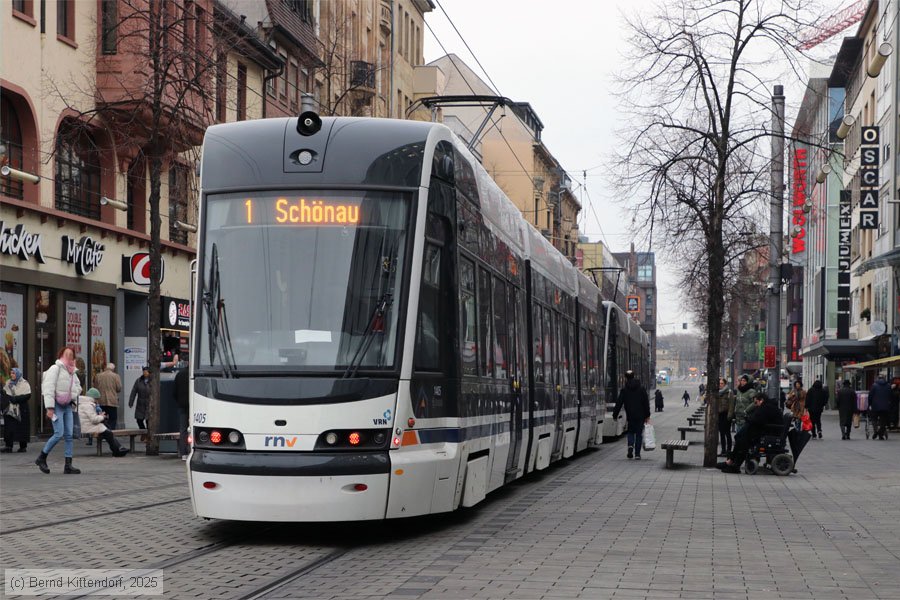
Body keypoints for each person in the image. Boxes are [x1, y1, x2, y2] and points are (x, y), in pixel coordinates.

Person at [35, 346, 83, 474]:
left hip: (67, 405)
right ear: (61, 355)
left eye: (71, 355)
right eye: (66, 354)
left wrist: (72, 394)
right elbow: (48, 388)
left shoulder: (72, 371)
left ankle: (68, 465)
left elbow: (78, 387)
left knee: (69, 435)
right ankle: (42, 457)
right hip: (56, 405)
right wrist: (49, 407)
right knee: (58, 433)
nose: (69, 357)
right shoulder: (55, 368)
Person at [717, 392, 784, 473]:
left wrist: (749, 419)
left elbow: (757, 420)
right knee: (741, 437)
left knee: (743, 440)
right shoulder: (766, 406)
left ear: (761, 400)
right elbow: (756, 418)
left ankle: (734, 464)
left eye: (756, 402)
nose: (755, 404)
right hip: (766, 431)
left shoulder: (767, 407)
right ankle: (731, 462)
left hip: (770, 433)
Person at [77, 388, 129, 457]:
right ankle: (117, 450)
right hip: (87, 427)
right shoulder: (88, 405)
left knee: (107, 430)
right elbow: (94, 419)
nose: (97, 401)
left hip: (86, 425)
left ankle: (118, 448)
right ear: (94, 398)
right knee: (108, 432)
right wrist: (102, 416)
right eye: (97, 399)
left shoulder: (83, 403)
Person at [612, 370, 651, 460]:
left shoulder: (624, 390)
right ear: (634, 376)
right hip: (640, 416)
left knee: (630, 432)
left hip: (630, 415)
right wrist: (647, 415)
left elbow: (619, 403)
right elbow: (646, 403)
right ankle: (637, 454)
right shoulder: (641, 388)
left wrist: (615, 415)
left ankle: (630, 446)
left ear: (626, 378)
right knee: (638, 434)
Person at [2, 367, 31, 453]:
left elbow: (28, 395)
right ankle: (8, 446)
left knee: (22, 427)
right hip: (10, 409)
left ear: (17, 374)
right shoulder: (8, 383)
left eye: (13, 373)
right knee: (9, 427)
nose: (12, 375)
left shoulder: (24, 383)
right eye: (11, 373)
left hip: (22, 409)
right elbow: (5, 393)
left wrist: (16, 399)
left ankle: (23, 446)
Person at [94, 363, 122, 430]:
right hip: (112, 400)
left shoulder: (98, 376)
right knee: (113, 418)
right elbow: (119, 388)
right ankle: (111, 433)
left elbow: (95, 387)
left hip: (101, 400)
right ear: (113, 369)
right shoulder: (116, 376)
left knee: (102, 418)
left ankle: (103, 432)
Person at [868, 375, 893, 441]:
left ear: (877, 379)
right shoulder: (888, 385)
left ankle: (876, 431)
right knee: (883, 421)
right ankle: (880, 434)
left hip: (875, 406)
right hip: (885, 406)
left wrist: (870, 404)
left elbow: (870, 396)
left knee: (874, 419)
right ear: (884, 379)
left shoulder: (874, 385)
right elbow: (891, 396)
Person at [716, 378, 735, 457]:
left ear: (725, 384)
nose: (720, 385)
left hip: (726, 415)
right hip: (719, 415)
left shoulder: (729, 392)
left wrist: (730, 416)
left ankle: (728, 451)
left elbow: (731, 405)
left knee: (727, 433)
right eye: (719, 383)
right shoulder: (717, 393)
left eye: (722, 383)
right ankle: (723, 450)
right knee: (722, 434)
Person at [174, 367, 190, 459]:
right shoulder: (196, 374)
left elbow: (174, 392)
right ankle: (192, 450)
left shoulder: (180, 374)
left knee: (183, 429)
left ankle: (184, 453)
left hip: (182, 405)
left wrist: (179, 401)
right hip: (193, 405)